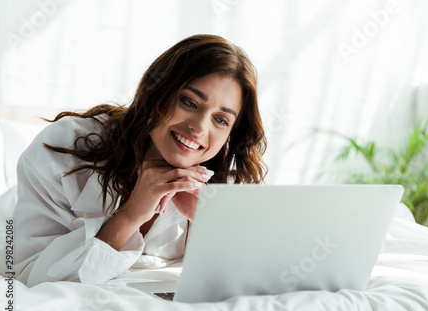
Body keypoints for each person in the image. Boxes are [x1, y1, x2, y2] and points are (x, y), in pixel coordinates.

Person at [14, 34, 268, 287]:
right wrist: (130, 215)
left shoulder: (226, 184)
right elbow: (31, 277)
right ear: (157, 91)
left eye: (221, 120)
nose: (199, 127)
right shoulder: (65, 147)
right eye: (189, 102)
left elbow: (256, 278)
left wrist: (209, 219)